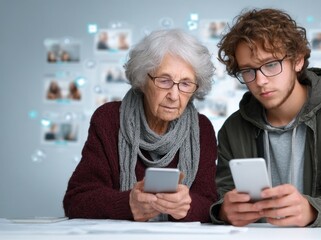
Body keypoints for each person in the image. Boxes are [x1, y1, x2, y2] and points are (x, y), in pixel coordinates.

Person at [210, 8, 321, 227]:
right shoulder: (233, 128)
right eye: (248, 70)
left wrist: (314, 211)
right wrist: (223, 211)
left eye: (270, 65)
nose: (260, 81)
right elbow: (222, 195)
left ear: (297, 61)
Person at [63, 29, 217, 222]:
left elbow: (211, 205)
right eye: (164, 80)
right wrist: (127, 203)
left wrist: (187, 206)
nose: (174, 95)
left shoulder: (202, 129)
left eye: (185, 84)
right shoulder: (109, 120)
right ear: (143, 80)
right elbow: (76, 200)